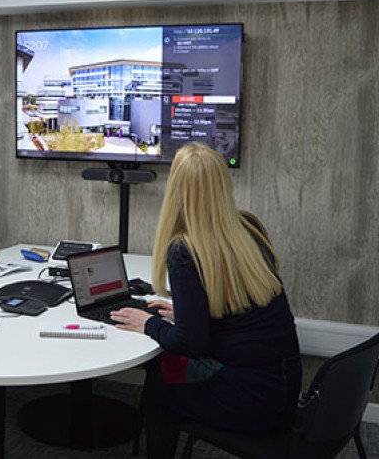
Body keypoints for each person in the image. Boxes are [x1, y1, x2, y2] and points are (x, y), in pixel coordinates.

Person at [110, 142, 302, 459]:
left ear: (176, 190)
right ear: (222, 183)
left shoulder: (185, 250)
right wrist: (187, 314)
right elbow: (240, 309)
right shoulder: (248, 227)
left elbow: (190, 344)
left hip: (255, 402)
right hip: (283, 387)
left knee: (159, 390)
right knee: (162, 370)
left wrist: (150, 323)